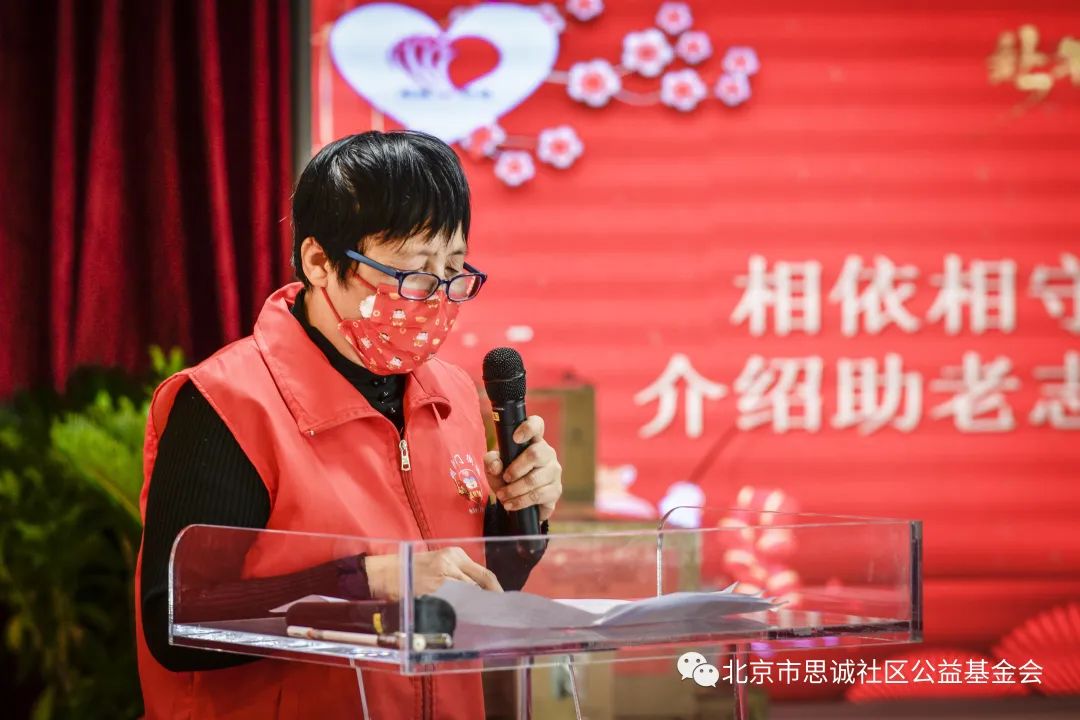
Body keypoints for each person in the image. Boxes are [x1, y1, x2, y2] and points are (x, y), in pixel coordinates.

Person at [134, 130, 564, 719]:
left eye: (453, 269)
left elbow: (477, 591)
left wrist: (522, 516)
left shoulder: (453, 395)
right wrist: (368, 582)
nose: (436, 297)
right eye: (413, 271)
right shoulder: (228, 403)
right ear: (318, 261)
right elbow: (176, 622)